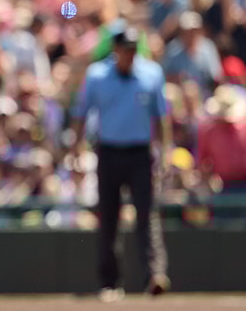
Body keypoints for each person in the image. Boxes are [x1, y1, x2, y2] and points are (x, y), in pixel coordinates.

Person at [71, 28, 171, 302]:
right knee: (109, 218)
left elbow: (162, 118)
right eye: (124, 49)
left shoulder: (151, 74)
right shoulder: (96, 76)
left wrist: (165, 154)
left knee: (146, 215)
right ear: (115, 50)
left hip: (140, 154)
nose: (129, 54)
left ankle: (155, 275)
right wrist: (75, 150)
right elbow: (81, 114)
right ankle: (110, 283)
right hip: (109, 152)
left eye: (132, 49)